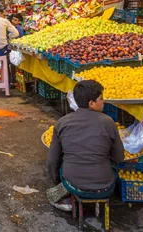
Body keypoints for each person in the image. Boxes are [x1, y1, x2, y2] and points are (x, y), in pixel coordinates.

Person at [47, 80, 124, 209]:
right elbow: (119, 157)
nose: (103, 102)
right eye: (101, 99)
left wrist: (57, 180)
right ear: (91, 103)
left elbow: (52, 161)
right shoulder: (108, 122)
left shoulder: (62, 122)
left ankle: (66, 195)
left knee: (62, 162)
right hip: (105, 188)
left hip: (72, 185)